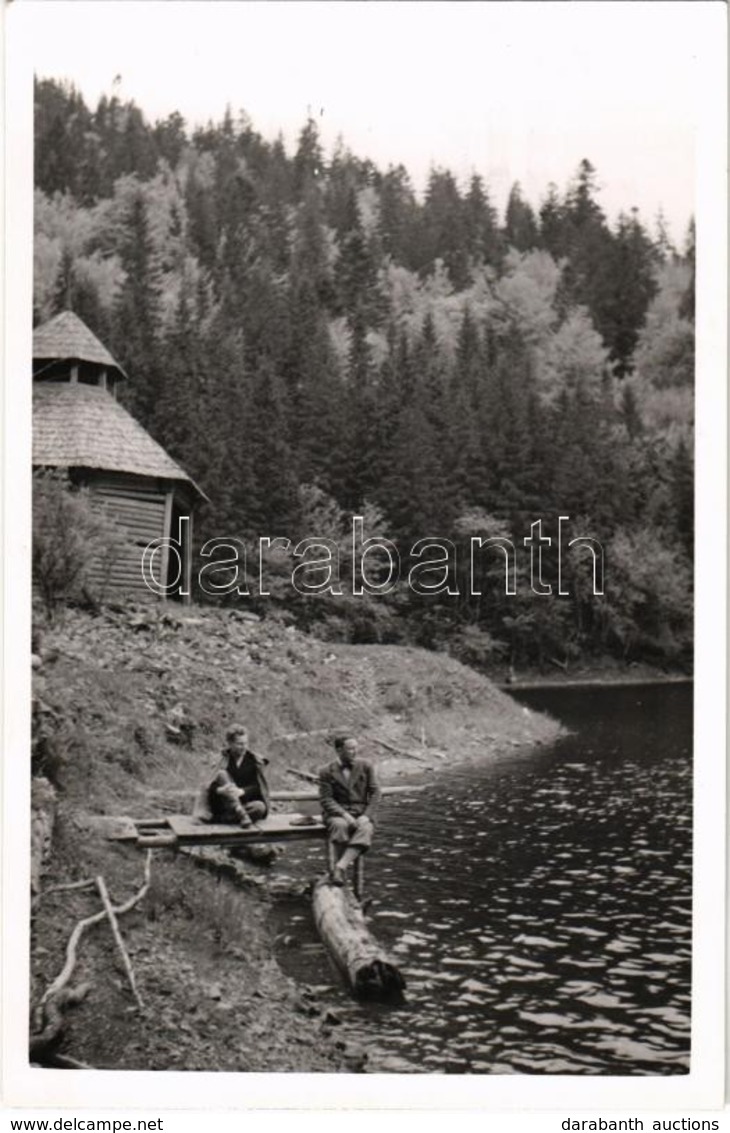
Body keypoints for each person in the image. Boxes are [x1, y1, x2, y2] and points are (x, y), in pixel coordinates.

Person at [318, 734, 380, 887]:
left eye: (356, 748)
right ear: (339, 750)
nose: (355, 751)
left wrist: (366, 815)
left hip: (361, 812)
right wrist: (345, 815)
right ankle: (340, 873)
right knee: (340, 826)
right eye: (350, 749)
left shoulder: (366, 765)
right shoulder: (326, 771)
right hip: (337, 813)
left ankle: (339, 867)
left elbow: (375, 792)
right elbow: (326, 799)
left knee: (365, 829)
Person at [207, 724, 270, 827]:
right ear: (230, 743)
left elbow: (257, 787)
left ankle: (229, 817)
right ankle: (240, 813)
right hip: (224, 804)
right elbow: (209, 786)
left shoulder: (252, 760)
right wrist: (221, 790)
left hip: (245, 803)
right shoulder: (222, 760)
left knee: (260, 807)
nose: (244, 747)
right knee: (221, 774)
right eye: (239, 744)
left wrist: (241, 791)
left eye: (246, 743)